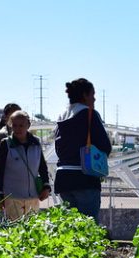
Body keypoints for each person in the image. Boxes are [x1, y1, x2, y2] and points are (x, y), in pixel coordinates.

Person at [53, 78, 111, 222]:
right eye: (93, 94)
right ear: (85, 95)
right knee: (88, 227)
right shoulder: (89, 114)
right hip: (85, 177)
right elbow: (105, 146)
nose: (94, 98)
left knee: (70, 229)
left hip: (63, 178)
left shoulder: (62, 116)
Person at [0, 110, 51, 221]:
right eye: (14, 125)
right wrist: (0, 194)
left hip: (33, 196)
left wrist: (46, 185)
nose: (18, 129)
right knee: (15, 231)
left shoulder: (36, 143)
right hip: (12, 197)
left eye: (21, 125)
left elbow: (42, 167)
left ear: (28, 125)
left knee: (33, 231)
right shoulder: (5, 144)